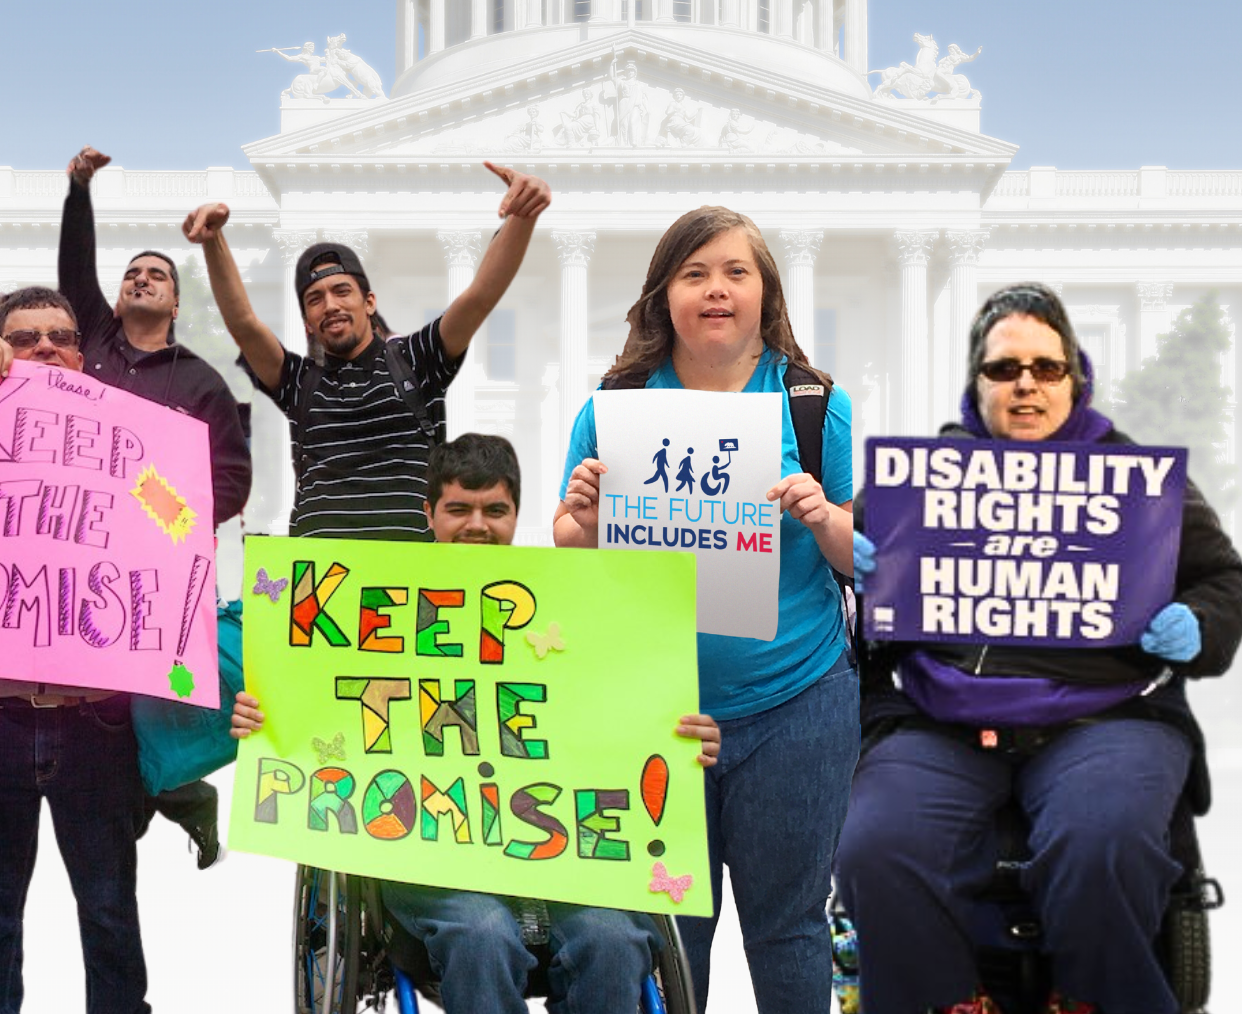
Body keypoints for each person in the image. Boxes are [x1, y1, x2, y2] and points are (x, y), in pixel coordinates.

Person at [836, 283, 1242, 1014]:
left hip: (1108, 714)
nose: (1026, 382)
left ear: (1075, 378)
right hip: (938, 715)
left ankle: (1091, 998)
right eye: (1004, 368)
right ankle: (949, 1001)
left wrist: (1198, 618)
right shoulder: (918, 478)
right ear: (977, 382)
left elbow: (1224, 579)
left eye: (1047, 367)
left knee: (1103, 841)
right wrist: (846, 564)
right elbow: (828, 589)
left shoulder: (1139, 481)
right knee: (874, 845)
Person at [228, 435, 719, 1014]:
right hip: (435, 859)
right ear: (429, 513)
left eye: (494, 510)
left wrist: (679, 735)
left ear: (516, 513)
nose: (476, 525)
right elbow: (318, 704)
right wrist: (266, 719)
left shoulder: (569, 603)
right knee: (482, 935)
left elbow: (629, 703)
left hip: (567, 860)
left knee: (613, 941)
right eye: (459, 509)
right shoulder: (379, 605)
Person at [551, 205, 856, 1014]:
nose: (715, 289)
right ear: (665, 295)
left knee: (787, 930)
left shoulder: (815, 403)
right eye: (694, 273)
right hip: (656, 715)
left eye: (735, 272)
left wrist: (824, 516)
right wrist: (580, 522)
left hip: (798, 703)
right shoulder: (612, 405)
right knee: (672, 929)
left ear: (766, 292)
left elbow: (866, 557)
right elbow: (570, 550)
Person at [0, 287, 151, 1013]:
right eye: (24, 337)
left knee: (110, 912)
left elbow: (178, 516)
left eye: (60, 336)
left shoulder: (126, 446)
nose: (44, 349)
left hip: (96, 723)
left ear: (81, 355)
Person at [59, 144, 252, 869]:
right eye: (133, 273)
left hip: (155, 571)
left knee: (131, 711)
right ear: (117, 298)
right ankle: (173, 798)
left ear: (175, 300)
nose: (144, 279)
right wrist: (79, 190)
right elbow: (74, 270)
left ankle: (156, 799)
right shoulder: (89, 351)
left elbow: (231, 479)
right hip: (73, 559)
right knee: (91, 710)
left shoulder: (200, 383)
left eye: (158, 275)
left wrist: (159, 510)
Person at [185, 159, 550, 540]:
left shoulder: (416, 359)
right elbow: (244, 324)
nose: (330, 305)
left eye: (342, 291)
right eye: (315, 299)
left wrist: (522, 217)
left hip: (410, 580)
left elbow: (478, 298)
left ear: (370, 302)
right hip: (319, 580)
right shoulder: (298, 381)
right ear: (307, 322)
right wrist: (214, 239)